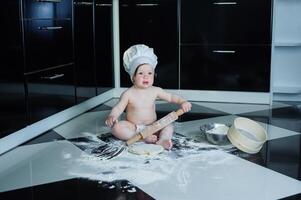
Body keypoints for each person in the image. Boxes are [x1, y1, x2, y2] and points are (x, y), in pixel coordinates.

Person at [105, 44, 192, 150]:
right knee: (116, 128)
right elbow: (118, 108)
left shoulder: (155, 90)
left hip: (154, 126)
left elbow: (170, 97)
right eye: (141, 73)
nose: (146, 76)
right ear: (133, 77)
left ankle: (163, 140)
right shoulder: (128, 93)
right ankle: (141, 138)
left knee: (169, 126)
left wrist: (182, 102)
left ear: (154, 75)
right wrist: (112, 116)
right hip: (134, 127)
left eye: (149, 73)